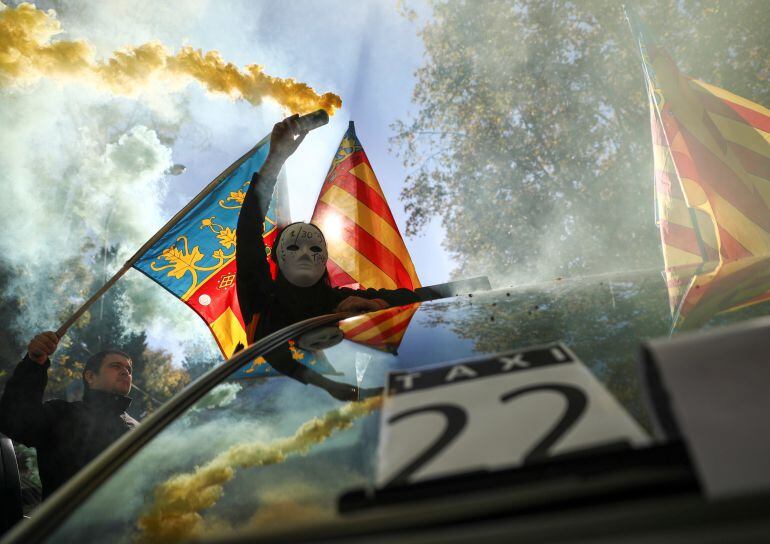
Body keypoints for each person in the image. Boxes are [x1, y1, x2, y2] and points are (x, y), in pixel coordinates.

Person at [236, 114, 421, 344]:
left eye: (314, 248)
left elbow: (418, 301)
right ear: (277, 256)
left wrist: (376, 306)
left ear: (325, 258)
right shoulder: (260, 299)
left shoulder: (344, 300)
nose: (305, 253)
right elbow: (248, 231)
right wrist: (276, 157)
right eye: (293, 246)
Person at [0, 332, 138, 498]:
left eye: (128, 369)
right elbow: (15, 420)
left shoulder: (140, 428)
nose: (125, 372)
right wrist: (34, 364)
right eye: (116, 366)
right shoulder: (62, 414)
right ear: (91, 377)